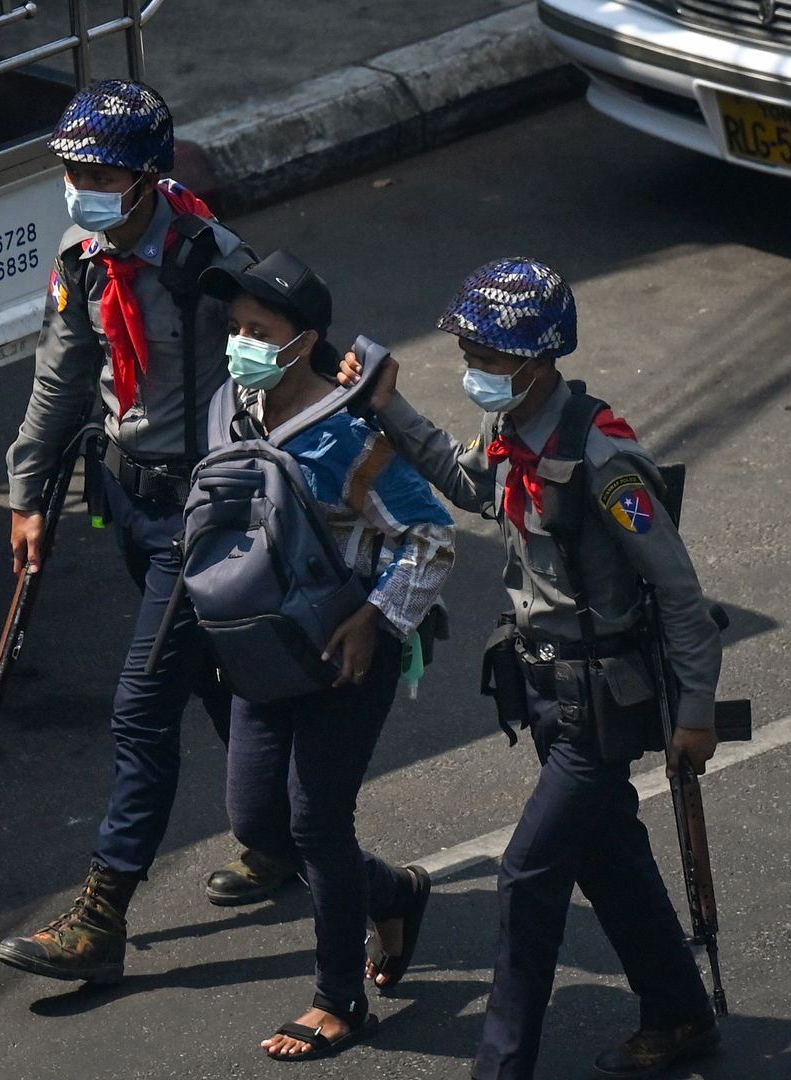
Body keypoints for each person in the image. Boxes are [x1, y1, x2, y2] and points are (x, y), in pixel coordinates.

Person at [340, 258, 723, 1079]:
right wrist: (389, 407)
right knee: (607, 856)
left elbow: (680, 591)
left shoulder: (601, 454)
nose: (473, 366)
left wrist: (697, 713)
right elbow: (469, 486)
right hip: (545, 690)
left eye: (487, 353)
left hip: (598, 702)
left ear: (538, 358)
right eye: (469, 350)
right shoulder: (512, 431)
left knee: (526, 876)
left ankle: (501, 1067)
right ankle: (681, 1014)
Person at [0, 79, 285, 986]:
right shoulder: (82, 259)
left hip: (200, 515)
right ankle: (284, 837)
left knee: (141, 708)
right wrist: (28, 494)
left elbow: (278, 370)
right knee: (212, 681)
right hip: (125, 500)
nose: (83, 185)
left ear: (149, 177)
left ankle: (102, 913)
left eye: (103, 173)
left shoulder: (210, 260)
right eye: (74, 169)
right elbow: (62, 379)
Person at [200, 251, 453, 1061]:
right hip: (263, 649)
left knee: (316, 821)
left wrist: (376, 620)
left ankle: (339, 999)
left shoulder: (349, 439)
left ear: (302, 341)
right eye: (234, 328)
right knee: (259, 820)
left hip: (347, 651)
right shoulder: (230, 409)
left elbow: (432, 535)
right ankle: (395, 893)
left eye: (259, 332)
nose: (240, 344)